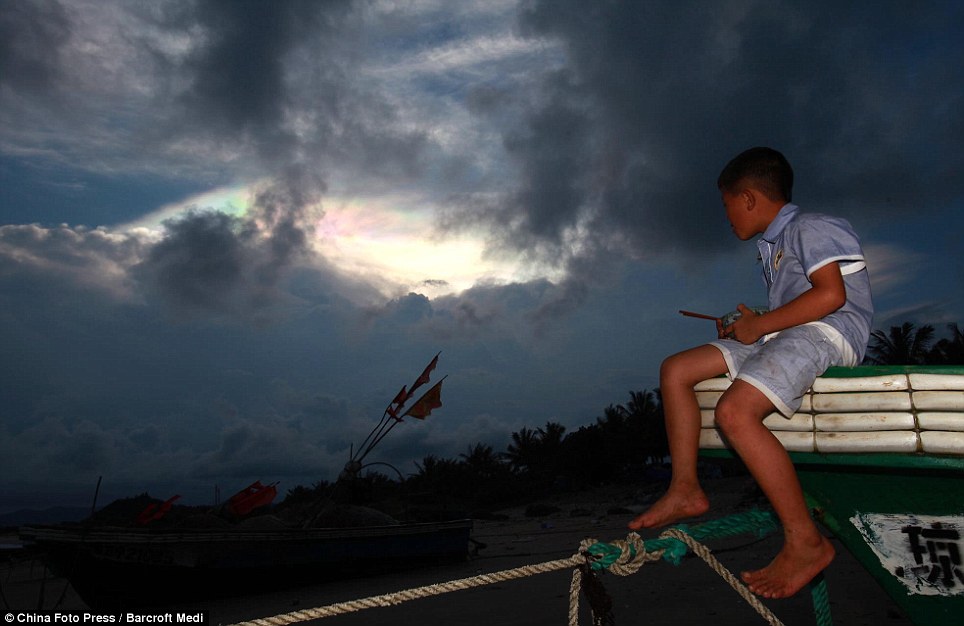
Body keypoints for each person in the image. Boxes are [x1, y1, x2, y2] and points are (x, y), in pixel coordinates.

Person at [629, 147, 873, 599]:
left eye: (726, 206)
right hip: (788, 332)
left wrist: (761, 325)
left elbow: (831, 296)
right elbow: (793, 303)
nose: (726, 219)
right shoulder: (773, 246)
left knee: (735, 413)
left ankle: (805, 542)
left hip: (827, 332)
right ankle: (685, 488)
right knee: (677, 370)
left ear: (747, 198)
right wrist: (753, 323)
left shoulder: (811, 226)